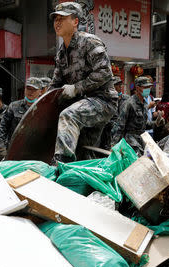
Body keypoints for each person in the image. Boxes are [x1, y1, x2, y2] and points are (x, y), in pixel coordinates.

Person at [49, 2, 117, 163]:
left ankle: (61, 164)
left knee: (68, 115)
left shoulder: (90, 42)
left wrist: (76, 88)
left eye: (62, 18)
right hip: (82, 104)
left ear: (75, 22)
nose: (57, 22)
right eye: (55, 19)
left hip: (103, 101)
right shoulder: (61, 54)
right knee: (84, 151)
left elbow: (105, 72)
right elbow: (55, 84)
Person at [112, 77, 164, 155]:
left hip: (142, 138)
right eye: (145, 87)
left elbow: (143, 124)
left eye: (149, 87)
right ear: (137, 88)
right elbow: (120, 125)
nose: (148, 89)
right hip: (130, 141)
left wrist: (156, 123)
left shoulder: (144, 103)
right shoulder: (129, 103)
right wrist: (114, 145)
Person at [0, 77, 43, 161]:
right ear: (25, 89)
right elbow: (2, 128)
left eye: (34, 90)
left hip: (36, 153)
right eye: (28, 88)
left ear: (40, 92)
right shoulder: (14, 106)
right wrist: (1, 148)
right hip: (14, 152)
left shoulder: (43, 108)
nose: (30, 92)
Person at [100, 76, 129, 149]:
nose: (119, 87)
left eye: (120, 85)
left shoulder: (127, 98)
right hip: (110, 131)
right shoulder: (107, 99)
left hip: (124, 132)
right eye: (117, 85)